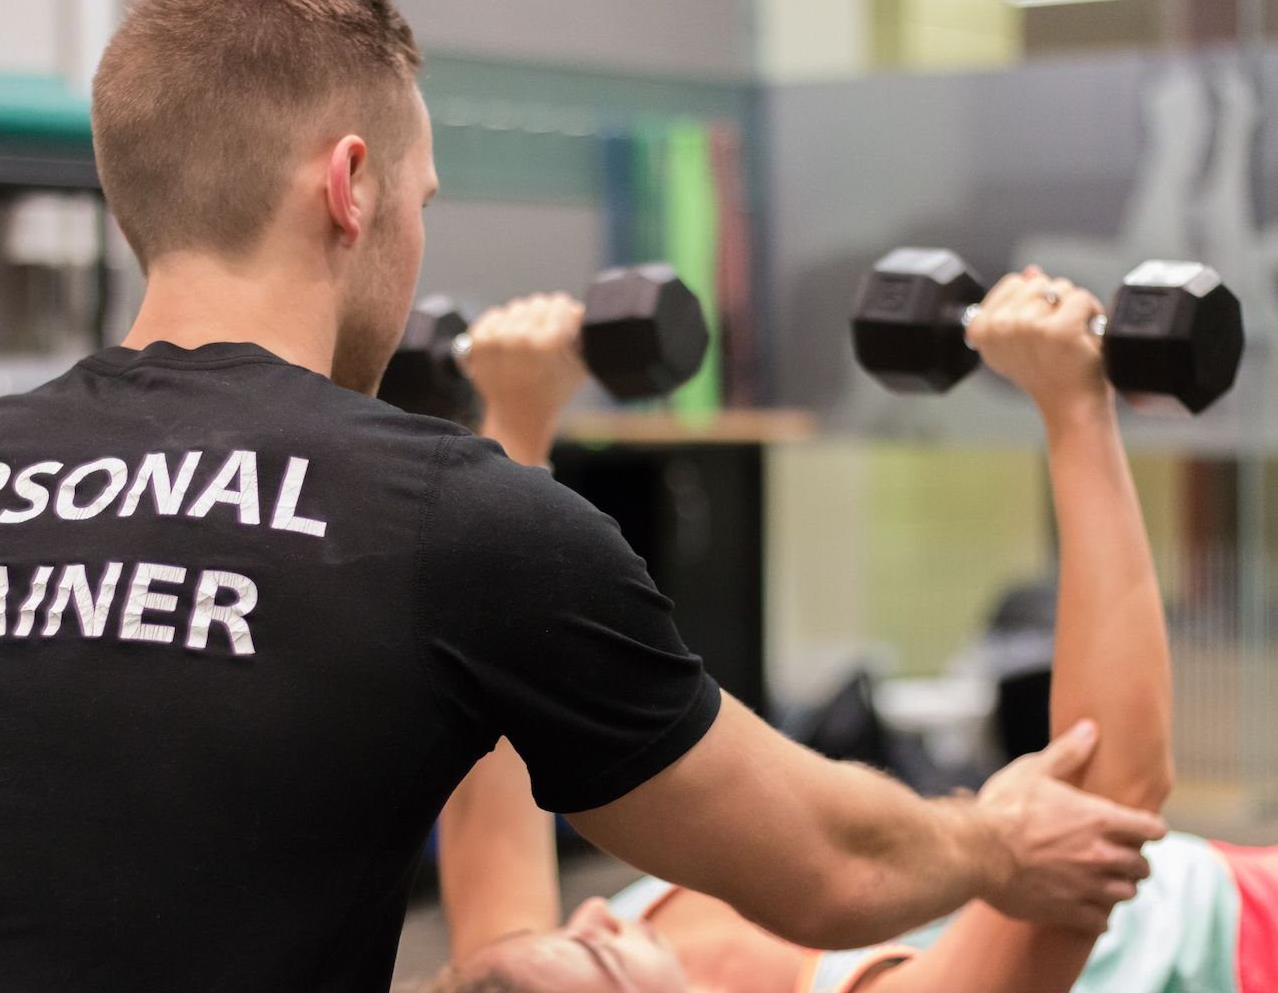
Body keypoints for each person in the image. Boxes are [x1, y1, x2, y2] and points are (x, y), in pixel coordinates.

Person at [0, 0, 1165, 990]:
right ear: (351, 187)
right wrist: (992, 839)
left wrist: (489, 978)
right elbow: (836, 869)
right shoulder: (441, 523)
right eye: (423, 196)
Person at [428, 269, 1278, 993]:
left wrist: (516, 412)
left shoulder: (521, 967)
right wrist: (1076, 404)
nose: (589, 914)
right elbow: (1112, 799)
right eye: (596, 957)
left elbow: (507, 661)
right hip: (1244, 937)